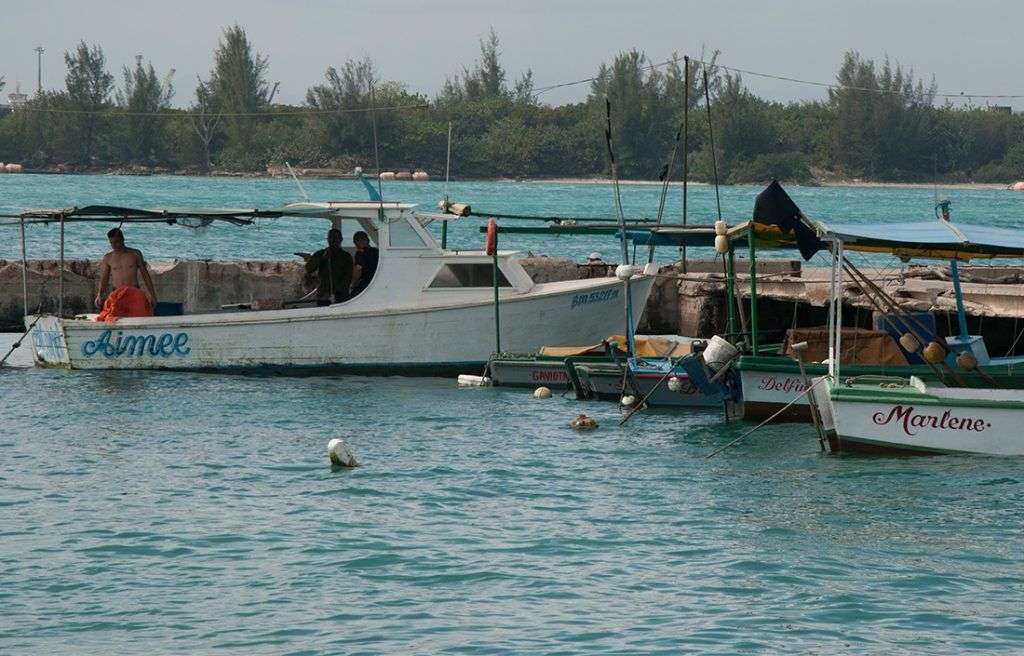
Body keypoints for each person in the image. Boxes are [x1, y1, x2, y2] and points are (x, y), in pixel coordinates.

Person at [94, 228, 158, 322]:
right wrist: (99, 295)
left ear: (122, 239)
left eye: (117, 242)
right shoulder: (108, 257)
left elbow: (145, 275)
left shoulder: (135, 254)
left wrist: (152, 295)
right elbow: (104, 279)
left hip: (134, 292)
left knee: (140, 319)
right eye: (111, 243)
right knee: (115, 320)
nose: (114, 245)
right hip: (117, 294)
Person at [304, 228, 353, 305]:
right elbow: (309, 268)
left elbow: (348, 277)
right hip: (323, 294)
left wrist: (334, 292)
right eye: (330, 237)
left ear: (340, 239)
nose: (332, 240)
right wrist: (322, 259)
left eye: (335, 238)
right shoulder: (320, 254)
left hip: (341, 295)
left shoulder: (346, 257)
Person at [349, 231, 379, 297]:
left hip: (366, 284)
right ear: (368, 240)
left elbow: (358, 270)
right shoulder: (376, 252)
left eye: (356, 241)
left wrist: (352, 284)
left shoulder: (360, 254)